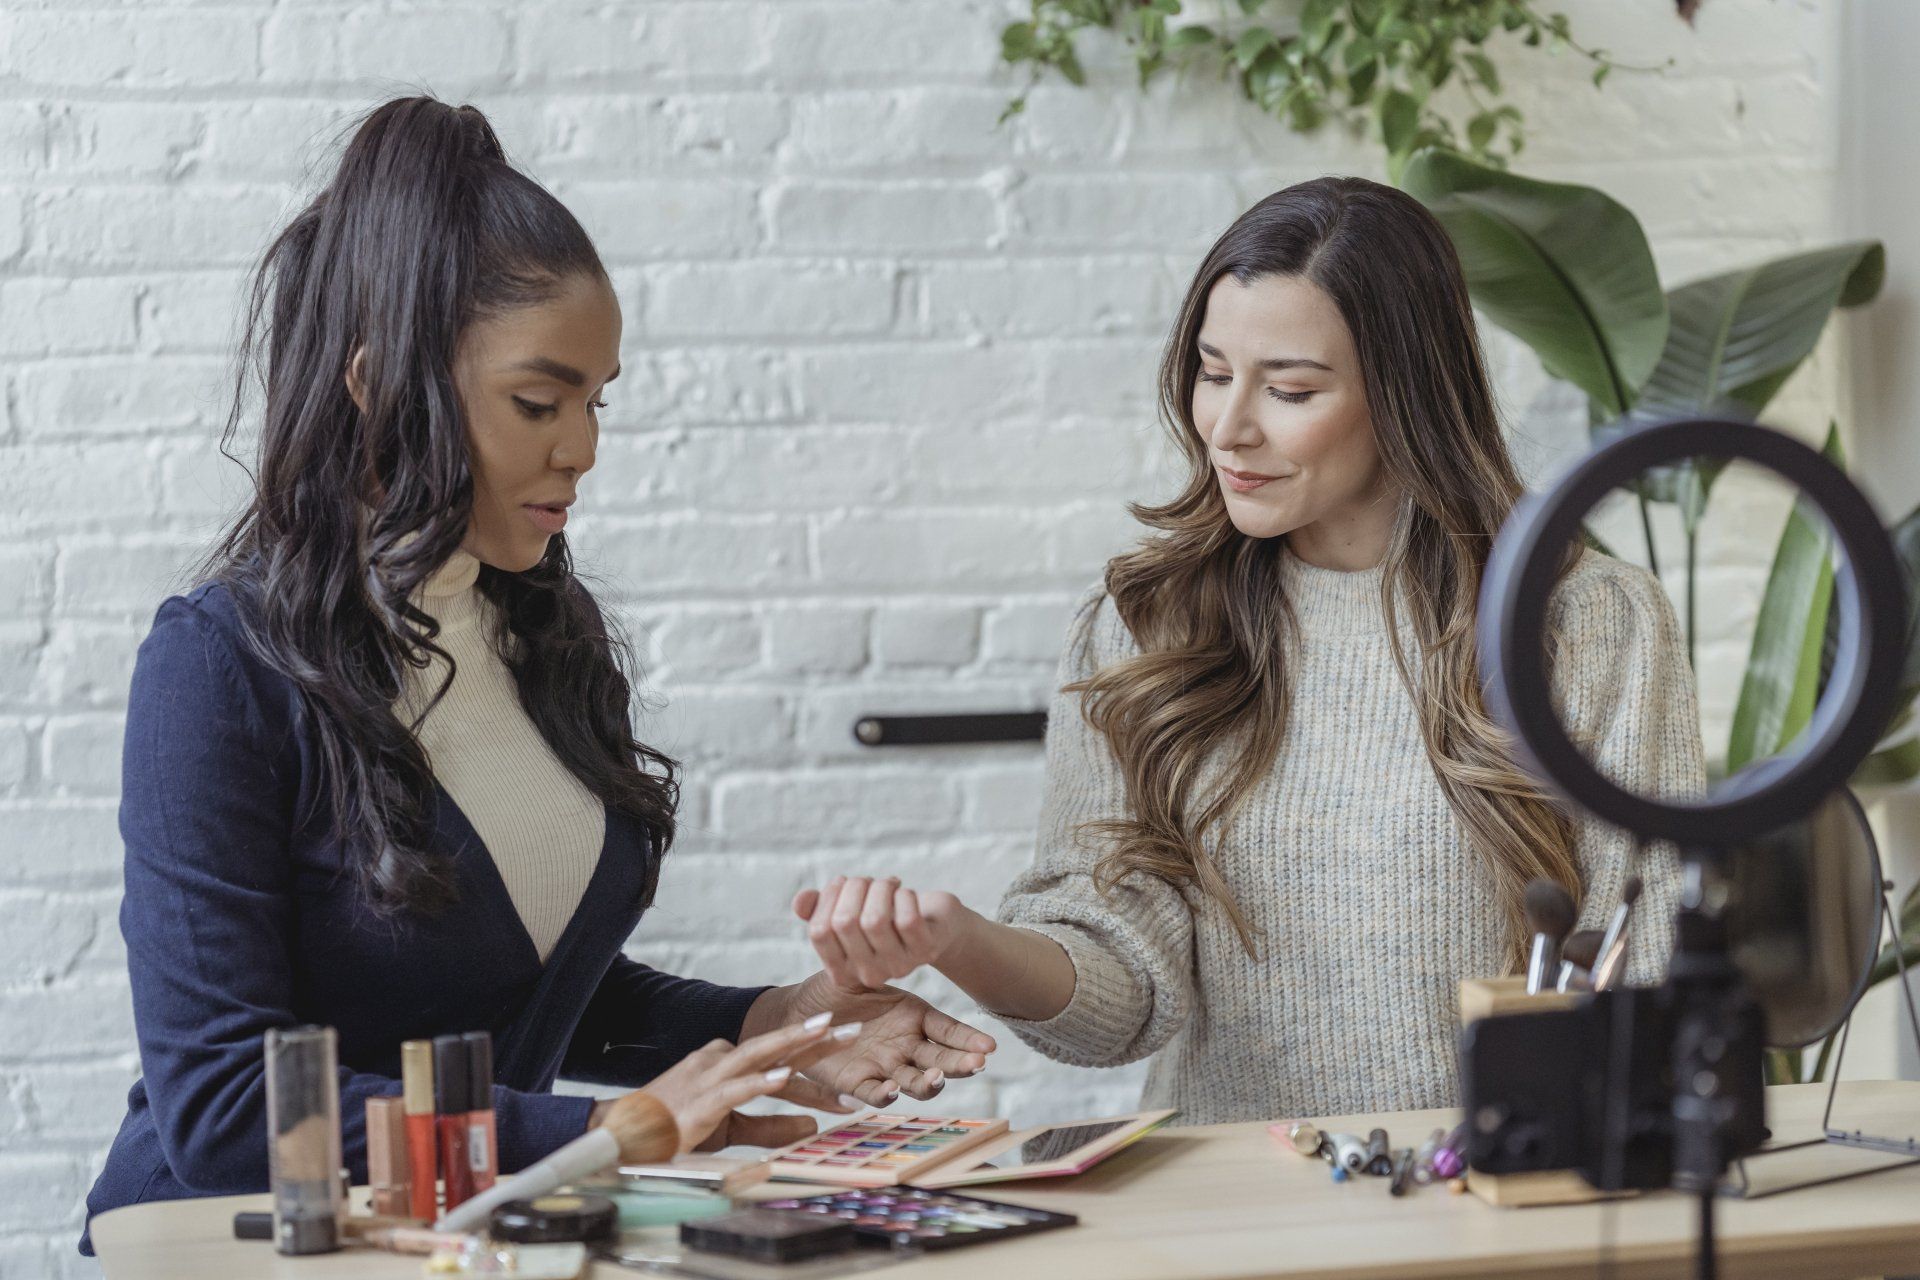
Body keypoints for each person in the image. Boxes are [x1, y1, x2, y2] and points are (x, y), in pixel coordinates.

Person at [79, 96, 994, 1254]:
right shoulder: (222, 663)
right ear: (377, 382)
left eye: (596, 401)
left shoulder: (545, 635)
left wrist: (787, 1022)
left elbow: (526, 987)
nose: (584, 446)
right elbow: (224, 1106)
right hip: (238, 1246)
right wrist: (620, 1126)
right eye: (537, 401)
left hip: (456, 1237)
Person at [793, 177, 1703, 1127]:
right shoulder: (1143, 623)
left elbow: (1649, 962)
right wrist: (957, 939)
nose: (1228, 428)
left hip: (1501, 1210)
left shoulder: (1586, 621)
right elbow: (1124, 1004)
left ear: (1405, 394)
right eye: (1213, 371)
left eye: (1292, 389)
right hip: (1235, 1214)